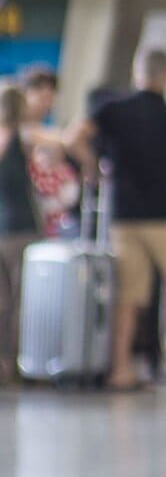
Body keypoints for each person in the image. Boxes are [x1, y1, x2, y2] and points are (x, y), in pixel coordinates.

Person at [66, 47, 166, 390]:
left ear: (136, 70)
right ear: (165, 75)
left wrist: (91, 167)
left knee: (127, 295)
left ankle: (121, 369)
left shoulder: (112, 109)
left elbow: (75, 136)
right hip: (165, 216)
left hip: (124, 216)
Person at [0, 82, 73, 384]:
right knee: (23, 301)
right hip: (23, 228)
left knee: (2, 301)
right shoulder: (25, 136)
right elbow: (64, 142)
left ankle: (2, 365)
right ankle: (21, 365)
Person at [19, 65, 78, 237]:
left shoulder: (43, 130)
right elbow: (30, 134)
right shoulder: (18, 130)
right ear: (26, 94)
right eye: (43, 97)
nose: (48, 104)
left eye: (51, 98)